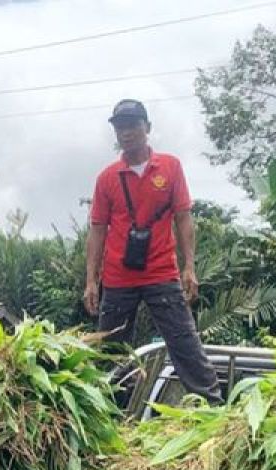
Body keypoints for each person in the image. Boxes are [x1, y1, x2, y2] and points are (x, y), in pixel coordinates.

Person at [84, 99, 222, 404]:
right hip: (118, 278)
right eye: (120, 127)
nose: (126, 132)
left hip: (162, 273)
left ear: (147, 128)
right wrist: (92, 281)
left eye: (133, 125)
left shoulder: (170, 167)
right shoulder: (107, 178)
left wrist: (189, 268)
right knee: (109, 351)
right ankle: (104, 414)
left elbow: (183, 218)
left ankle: (213, 408)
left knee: (184, 342)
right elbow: (97, 230)